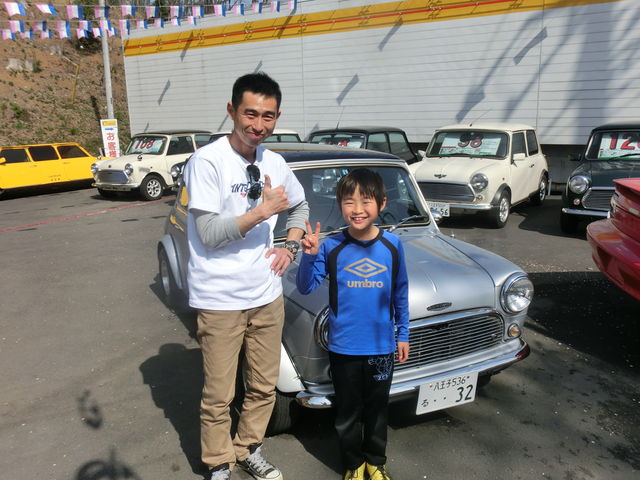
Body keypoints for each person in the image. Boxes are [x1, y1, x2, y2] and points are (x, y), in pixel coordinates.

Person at [183, 72, 308, 480]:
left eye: (268, 116)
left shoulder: (275, 162)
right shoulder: (207, 161)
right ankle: (219, 462)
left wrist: (290, 247)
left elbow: (300, 206)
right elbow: (209, 233)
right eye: (250, 114)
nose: (258, 124)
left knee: (263, 385)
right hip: (219, 299)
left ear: (277, 117)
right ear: (232, 111)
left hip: (266, 294)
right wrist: (263, 211)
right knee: (219, 393)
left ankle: (249, 448)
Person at [296, 168, 409, 480]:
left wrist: (403, 334)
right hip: (344, 346)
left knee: (377, 409)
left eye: (366, 201)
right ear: (340, 205)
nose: (357, 209)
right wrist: (309, 255)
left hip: (381, 346)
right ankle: (353, 465)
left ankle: (375, 462)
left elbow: (400, 292)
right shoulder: (331, 246)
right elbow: (305, 286)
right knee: (347, 411)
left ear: (382, 204)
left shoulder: (392, 245)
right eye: (349, 202)